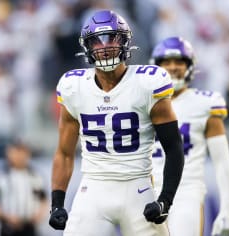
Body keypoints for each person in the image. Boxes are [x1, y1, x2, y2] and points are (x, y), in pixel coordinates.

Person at [48, 10, 184, 236]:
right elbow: (64, 153)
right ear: (87, 47)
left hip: (137, 188)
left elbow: (173, 147)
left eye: (112, 38)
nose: (105, 46)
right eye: (97, 42)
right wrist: (57, 202)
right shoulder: (74, 87)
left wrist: (165, 201)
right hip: (93, 189)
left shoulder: (147, 83)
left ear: (125, 41)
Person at [149, 36, 229, 236]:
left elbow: (222, 162)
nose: (173, 67)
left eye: (179, 61)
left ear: (190, 66)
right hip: (146, 191)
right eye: (166, 62)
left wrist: (227, 209)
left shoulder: (204, 103)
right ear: (156, 66)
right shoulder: (144, 101)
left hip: (186, 191)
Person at [0, 139, 48, 236]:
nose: (20, 156)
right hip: (7, 227)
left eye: (23, 152)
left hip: (30, 227)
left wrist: (38, 216)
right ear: (9, 153)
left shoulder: (35, 174)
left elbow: (43, 199)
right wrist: (5, 217)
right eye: (17, 152)